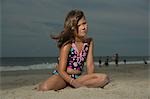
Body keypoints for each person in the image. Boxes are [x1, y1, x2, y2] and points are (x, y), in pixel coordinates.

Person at [36, 9, 109, 91]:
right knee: (45, 87)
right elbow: (61, 70)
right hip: (63, 77)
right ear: (73, 28)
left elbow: (90, 65)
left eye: (84, 23)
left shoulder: (89, 42)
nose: (84, 27)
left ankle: (69, 86)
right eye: (79, 25)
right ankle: (45, 85)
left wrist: (89, 78)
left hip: (78, 77)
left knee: (104, 78)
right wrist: (74, 83)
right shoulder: (68, 45)